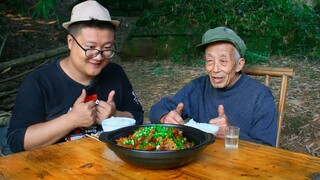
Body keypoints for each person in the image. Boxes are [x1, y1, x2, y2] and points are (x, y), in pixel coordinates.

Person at [7, 0, 144, 153]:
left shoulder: (115, 73)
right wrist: (71, 120)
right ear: (70, 42)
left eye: (107, 48)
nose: (98, 57)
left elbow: (138, 117)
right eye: (90, 48)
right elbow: (17, 141)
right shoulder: (39, 82)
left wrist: (115, 116)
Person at [149, 26, 277, 147]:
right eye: (210, 61)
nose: (215, 69)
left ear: (239, 64)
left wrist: (231, 133)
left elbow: (268, 148)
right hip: (201, 161)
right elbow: (158, 109)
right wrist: (165, 117)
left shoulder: (260, 96)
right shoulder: (198, 87)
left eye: (223, 61)